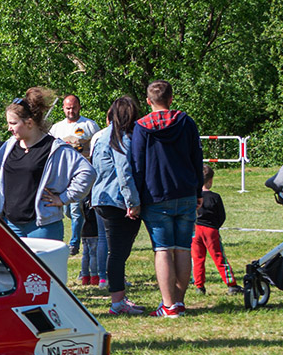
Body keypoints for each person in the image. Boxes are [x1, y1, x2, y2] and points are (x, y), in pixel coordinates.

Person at [131, 80, 204, 318]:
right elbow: (197, 158)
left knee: (162, 250)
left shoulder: (141, 127)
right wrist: (198, 191)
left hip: (155, 195)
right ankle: (179, 302)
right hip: (186, 192)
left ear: (148, 101)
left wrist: (135, 199)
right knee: (182, 249)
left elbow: (137, 165)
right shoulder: (186, 122)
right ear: (171, 99)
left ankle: (169, 305)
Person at [0, 87, 96, 240]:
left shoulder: (55, 148)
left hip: (42, 227)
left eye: (13, 123)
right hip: (10, 225)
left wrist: (63, 198)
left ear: (29, 123)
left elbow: (87, 172)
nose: (9, 128)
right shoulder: (9, 146)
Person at [91, 96, 144, 315]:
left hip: (101, 198)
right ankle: (117, 302)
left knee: (116, 252)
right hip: (117, 200)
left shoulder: (102, 136)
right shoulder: (121, 138)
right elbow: (124, 172)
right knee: (118, 253)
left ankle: (119, 298)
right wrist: (133, 202)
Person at [50, 95, 101, 256]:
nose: (71, 111)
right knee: (67, 211)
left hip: (80, 175)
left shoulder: (89, 125)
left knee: (75, 210)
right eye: (68, 108)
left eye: (73, 107)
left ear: (79, 107)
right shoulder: (57, 128)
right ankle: (81, 231)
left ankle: (74, 243)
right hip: (62, 175)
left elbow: (97, 147)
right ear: (63, 108)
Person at [192, 164, 240, 295]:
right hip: (210, 230)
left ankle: (199, 286)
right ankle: (231, 285)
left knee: (197, 258)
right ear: (210, 180)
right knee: (219, 257)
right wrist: (215, 226)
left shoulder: (193, 196)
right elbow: (221, 216)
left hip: (195, 230)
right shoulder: (215, 197)